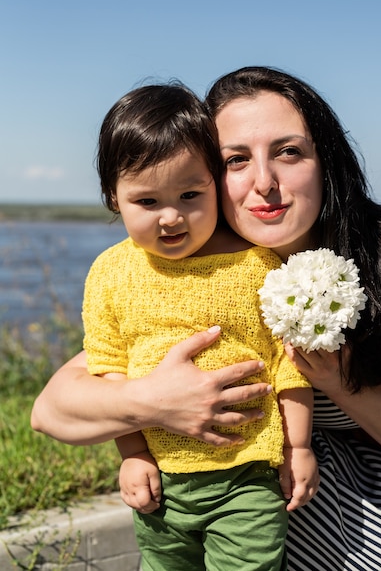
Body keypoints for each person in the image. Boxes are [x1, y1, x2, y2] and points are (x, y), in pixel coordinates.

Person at [31, 66, 381, 571]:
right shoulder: (196, 274)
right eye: (237, 160)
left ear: (327, 160)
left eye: (288, 151)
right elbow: (51, 411)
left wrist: (342, 384)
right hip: (276, 492)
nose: (264, 182)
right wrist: (154, 402)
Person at [79, 82, 317, 570]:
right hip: (160, 482)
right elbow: (109, 368)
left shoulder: (256, 266)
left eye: (190, 194)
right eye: (146, 202)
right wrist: (133, 454)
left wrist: (297, 446)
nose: (171, 217)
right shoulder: (110, 272)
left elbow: (287, 366)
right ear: (113, 197)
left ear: (214, 181)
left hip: (247, 478)